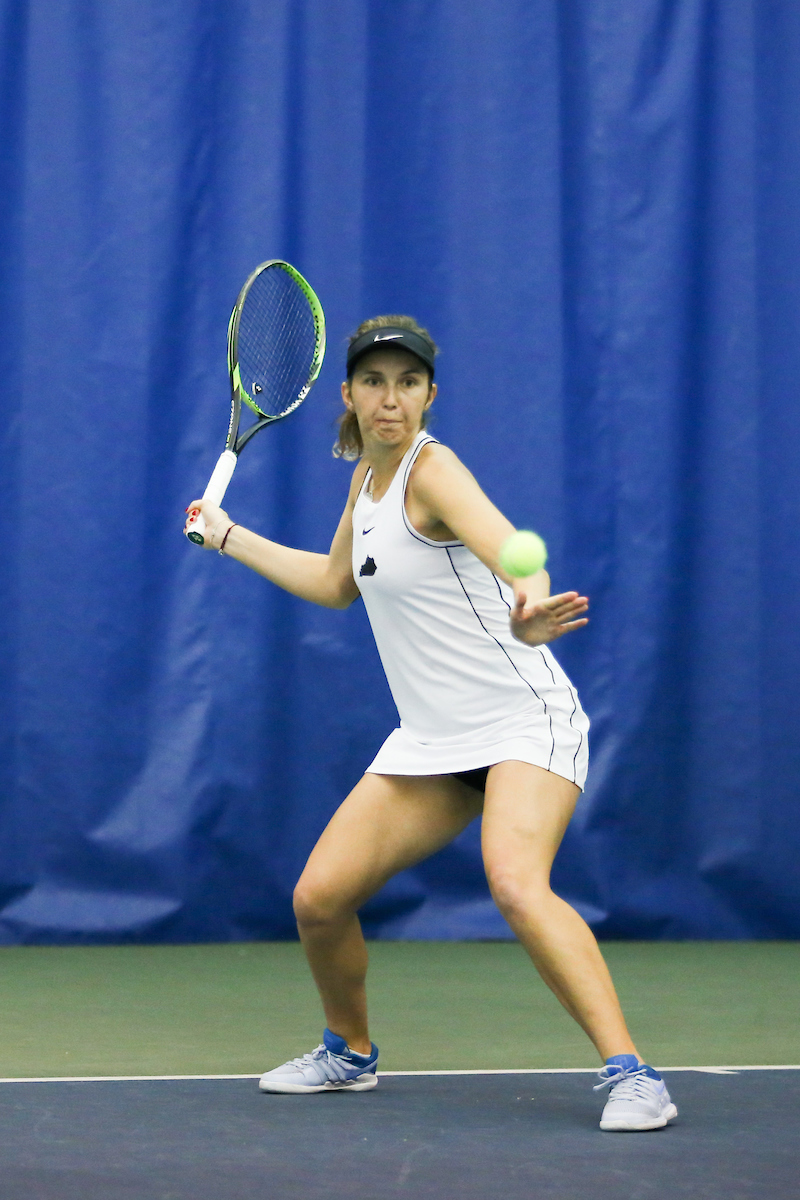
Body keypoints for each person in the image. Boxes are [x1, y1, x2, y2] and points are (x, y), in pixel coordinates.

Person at [185, 314, 677, 1132]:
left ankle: (633, 1074)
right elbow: (338, 582)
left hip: (525, 718)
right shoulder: (366, 484)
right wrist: (230, 535)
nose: (392, 400)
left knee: (517, 883)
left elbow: (509, 548)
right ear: (347, 395)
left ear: (428, 395)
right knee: (319, 899)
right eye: (375, 382)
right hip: (435, 740)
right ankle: (350, 1051)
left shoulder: (433, 469)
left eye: (408, 383)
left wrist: (529, 604)